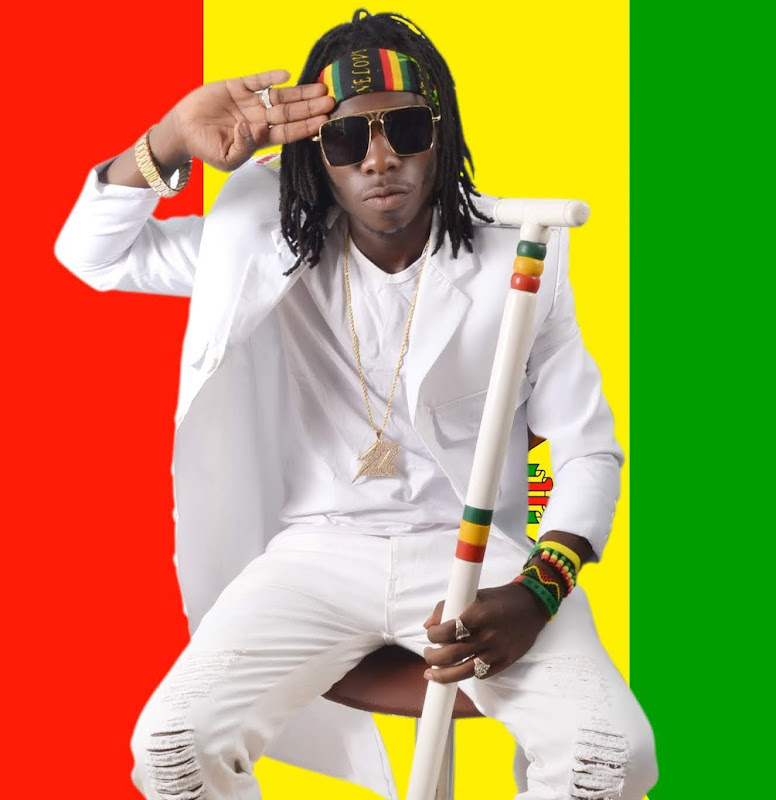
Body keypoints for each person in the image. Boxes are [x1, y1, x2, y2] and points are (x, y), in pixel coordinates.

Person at [54, 9, 657, 800]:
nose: (379, 158)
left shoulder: (519, 253)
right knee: (171, 750)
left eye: (405, 128)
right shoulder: (259, 243)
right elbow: (93, 255)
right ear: (316, 155)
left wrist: (541, 586)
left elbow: (588, 449)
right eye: (345, 139)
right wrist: (168, 139)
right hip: (315, 553)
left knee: (609, 759)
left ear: (441, 134)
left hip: (473, 553)